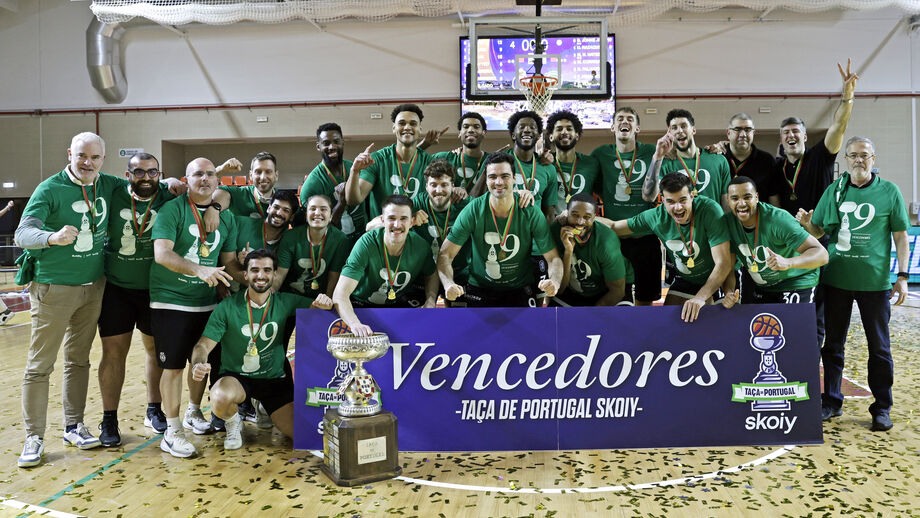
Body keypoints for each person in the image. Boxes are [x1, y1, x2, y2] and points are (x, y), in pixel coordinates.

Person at [14, 133, 122, 467]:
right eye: (81, 156)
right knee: (40, 365)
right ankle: (34, 437)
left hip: (93, 288)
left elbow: (150, 185)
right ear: (70, 154)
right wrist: (52, 237)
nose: (88, 163)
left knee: (78, 360)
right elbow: (22, 234)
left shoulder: (108, 184)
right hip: (54, 289)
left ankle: (73, 425)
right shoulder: (49, 189)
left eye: (95, 157)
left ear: (103, 159)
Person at [796, 136, 909, 432]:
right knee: (833, 345)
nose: (859, 160)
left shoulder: (889, 192)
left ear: (874, 158)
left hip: (875, 284)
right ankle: (831, 401)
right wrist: (809, 224)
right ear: (845, 160)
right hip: (836, 280)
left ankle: (882, 407)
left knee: (880, 348)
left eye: (864, 155)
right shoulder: (835, 190)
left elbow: (900, 236)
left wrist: (903, 276)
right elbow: (819, 229)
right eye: (853, 155)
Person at [189, 249, 332, 450]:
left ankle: (262, 406)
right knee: (220, 396)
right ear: (245, 275)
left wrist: (323, 303)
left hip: (274, 380)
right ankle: (232, 423)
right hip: (237, 378)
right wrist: (198, 363)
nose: (261, 275)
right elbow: (202, 345)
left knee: (303, 436)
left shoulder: (286, 302)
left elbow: (316, 309)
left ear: (274, 275)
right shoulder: (228, 307)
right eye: (254, 270)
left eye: (267, 270)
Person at [150, 158, 244, 458]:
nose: (205, 179)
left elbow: (228, 262)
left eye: (210, 174)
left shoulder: (225, 217)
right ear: (186, 180)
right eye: (198, 174)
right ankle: (172, 429)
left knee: (200, 363)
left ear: (218, 181)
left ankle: (193, 411)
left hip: (208, 303)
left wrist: (251, 276)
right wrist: (200, 270)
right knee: (174, 366)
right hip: (171, 300)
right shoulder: (172, 210)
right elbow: (162, 254)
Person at [96, 152, 178, 447]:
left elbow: (204, 185)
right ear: (127, 174)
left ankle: (153, 409)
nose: (146, 177)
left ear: (160, 173)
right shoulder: (114, 190)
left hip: (154, 288)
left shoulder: (169, 194)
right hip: (117, 288)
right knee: (113, 352)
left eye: (152, 172)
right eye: (139, 172)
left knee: (155, 349)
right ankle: (109, 419)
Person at [777, 59, 859, 350]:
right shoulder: (777, 168)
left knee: (821, 309)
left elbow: (840, 124)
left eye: (795, 131)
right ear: (781, 139)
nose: (791, 135)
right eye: (786, 132)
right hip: (790, 245)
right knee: (793, 305)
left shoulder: (821, 156)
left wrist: (847, 95)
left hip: (824, 240)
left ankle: (816, 362)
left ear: (804, 136)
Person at [438, 153, 563, 307]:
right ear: (486, 179)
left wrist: (555, 282)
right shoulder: (473, 210)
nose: (498, 182)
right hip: (480, 287)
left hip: (519, 288)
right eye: (492, 177)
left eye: (505, 176)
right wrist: (448, 283)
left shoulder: (530, 210)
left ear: (514, 178)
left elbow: (553, 258)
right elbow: (445, 254)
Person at [610, 173, 731, 323]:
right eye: (671, 202)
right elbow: (614, 227)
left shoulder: (710, 210)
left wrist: (700, 298)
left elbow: (723, 263)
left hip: (721, 277)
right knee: (672, 322)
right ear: (662, 199)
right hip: (688, 278)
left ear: (692, 196)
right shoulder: (655, 216)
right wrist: (578, 220)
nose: (678, 207)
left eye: (683, 200)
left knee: (718, 323)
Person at [333, 195, 439, 336]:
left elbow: (431, 274)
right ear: (382, 220)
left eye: (403, 219)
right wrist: (354, 324)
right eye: (391, 218)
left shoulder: (421, 246)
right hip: (360, 304)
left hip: (395, 304)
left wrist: (431, 300)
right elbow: (340, 294)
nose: (397, 225)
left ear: (412, 221)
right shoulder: (366, 244)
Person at [591, 106, 663, 305]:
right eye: (620, 118)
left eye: (630, 119)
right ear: (613, 127)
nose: (625, 121)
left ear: (637, 128)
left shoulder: (651, 152)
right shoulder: (599, 155)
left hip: (646, 238)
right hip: (614, 240)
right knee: (617, 299)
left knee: (645, 301)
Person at [720, 175, 827, 308]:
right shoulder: (726, 224)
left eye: (747, 197)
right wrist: (728, 292)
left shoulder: (778, 220)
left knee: (791, 327)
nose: (741, 204)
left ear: (757, 197)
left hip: (796, 281)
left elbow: (822, 254)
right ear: (728, 200)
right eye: (735, 198)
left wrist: (788, 262)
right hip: (764, 287)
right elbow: (728, 267)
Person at [345, 103, 434, 218]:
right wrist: (355, 171)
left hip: (418, 234)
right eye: (402, 123)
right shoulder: (377, 160)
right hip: (384, 233)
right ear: (394, 128)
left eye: (413, 123)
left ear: (420, 129)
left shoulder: (430, 163)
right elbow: (353, 200)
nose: (407, 127)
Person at [551, 193, 629, 306]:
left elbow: (617, 291)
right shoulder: (555, 231)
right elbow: (560, 290)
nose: (580, 222)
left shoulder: (606, 240)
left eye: (587, 217)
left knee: (618, 320)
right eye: (575, 215)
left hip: (607, 291)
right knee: (553, 317)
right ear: (566, 214)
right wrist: (568, 252)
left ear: (594, 218)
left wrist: (591, 318)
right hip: (574, 290)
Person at [301, 122, 366, 243]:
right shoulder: (312, 185)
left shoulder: (356, 169)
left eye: (336, 141)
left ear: (342, 142)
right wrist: (341, 203)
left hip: (362, 241)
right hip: (332, 246)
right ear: (318, 146)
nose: (332, 147)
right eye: (326, 143)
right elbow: (314, 228)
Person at [656, 109, 731, 208]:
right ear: (669, 133)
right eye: (674, 128)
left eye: (683, 126)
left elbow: (726, 203)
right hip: (679, 222)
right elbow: (652, 197)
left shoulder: (718, 160)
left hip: (712, 222)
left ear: (693, 130)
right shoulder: (665, 164)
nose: (679, 131)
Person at [706, 113, 780, 205]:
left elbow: (774, 198)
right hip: (725, 218)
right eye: (737, 129)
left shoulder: (767, 160)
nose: (743, 134)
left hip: (758, 218)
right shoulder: (717, 159)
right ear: (728, 133)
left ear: (753, 133)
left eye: (748, 130)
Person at [546, 110, 601, 217]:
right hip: (552, 226)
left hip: (582, 226)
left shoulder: (591, 163)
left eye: (569, 129)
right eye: (559, 129)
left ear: (577, 135)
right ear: (551, 136)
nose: (564, 132)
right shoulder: (544, 164)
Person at [505, 110, 558, 222]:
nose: (527, 130)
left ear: (538, 135)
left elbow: (549, 214)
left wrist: (547, 239)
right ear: (513, 135)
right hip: (504, 229)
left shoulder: (548, 168)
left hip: (535, 232)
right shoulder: (499, 163)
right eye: (522, 126)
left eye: (532, 127)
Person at [430, 112, 489, 194]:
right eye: (466, 127)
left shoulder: (491, 161)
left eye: (476, 127)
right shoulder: (445, 158)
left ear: (484, 133)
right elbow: (415, 161)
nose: (471, 130)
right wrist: (425, 144)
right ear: (459, 133)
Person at [214, 151, 281, 219]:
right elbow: (206, 190)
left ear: (276, 175)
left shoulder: (285, 199)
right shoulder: (238, 194)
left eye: (268, 172)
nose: (263, 177)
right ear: (251, 175)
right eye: (258, 172)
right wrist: (220, 169)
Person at [237, 190, 297, 260]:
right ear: (269, 208)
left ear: (292, 217)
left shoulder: (290, 241)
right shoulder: (241, 223)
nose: (279, 213)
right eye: (276, 207)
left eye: (286, 210)